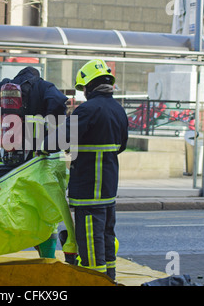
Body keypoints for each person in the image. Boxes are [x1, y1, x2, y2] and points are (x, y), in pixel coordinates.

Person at [43, 59, 128, 281]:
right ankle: (109, 279)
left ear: (89, 86)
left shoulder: (88, 110)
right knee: (107, 238)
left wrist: (40, 146)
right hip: (109, 189)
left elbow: (60, 139)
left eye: (83, 89)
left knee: (90, 244)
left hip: (90, 190)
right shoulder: (118, 110)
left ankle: (94, 281)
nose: (84, 93)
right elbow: (121, 146)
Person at [0, 66, 68, 258]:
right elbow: (58, 103)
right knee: (44, 209)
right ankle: (47, 257)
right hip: (36, 164)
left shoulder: (3, 88)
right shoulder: (45, 88)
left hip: (4, 162)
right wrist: (49, 138)